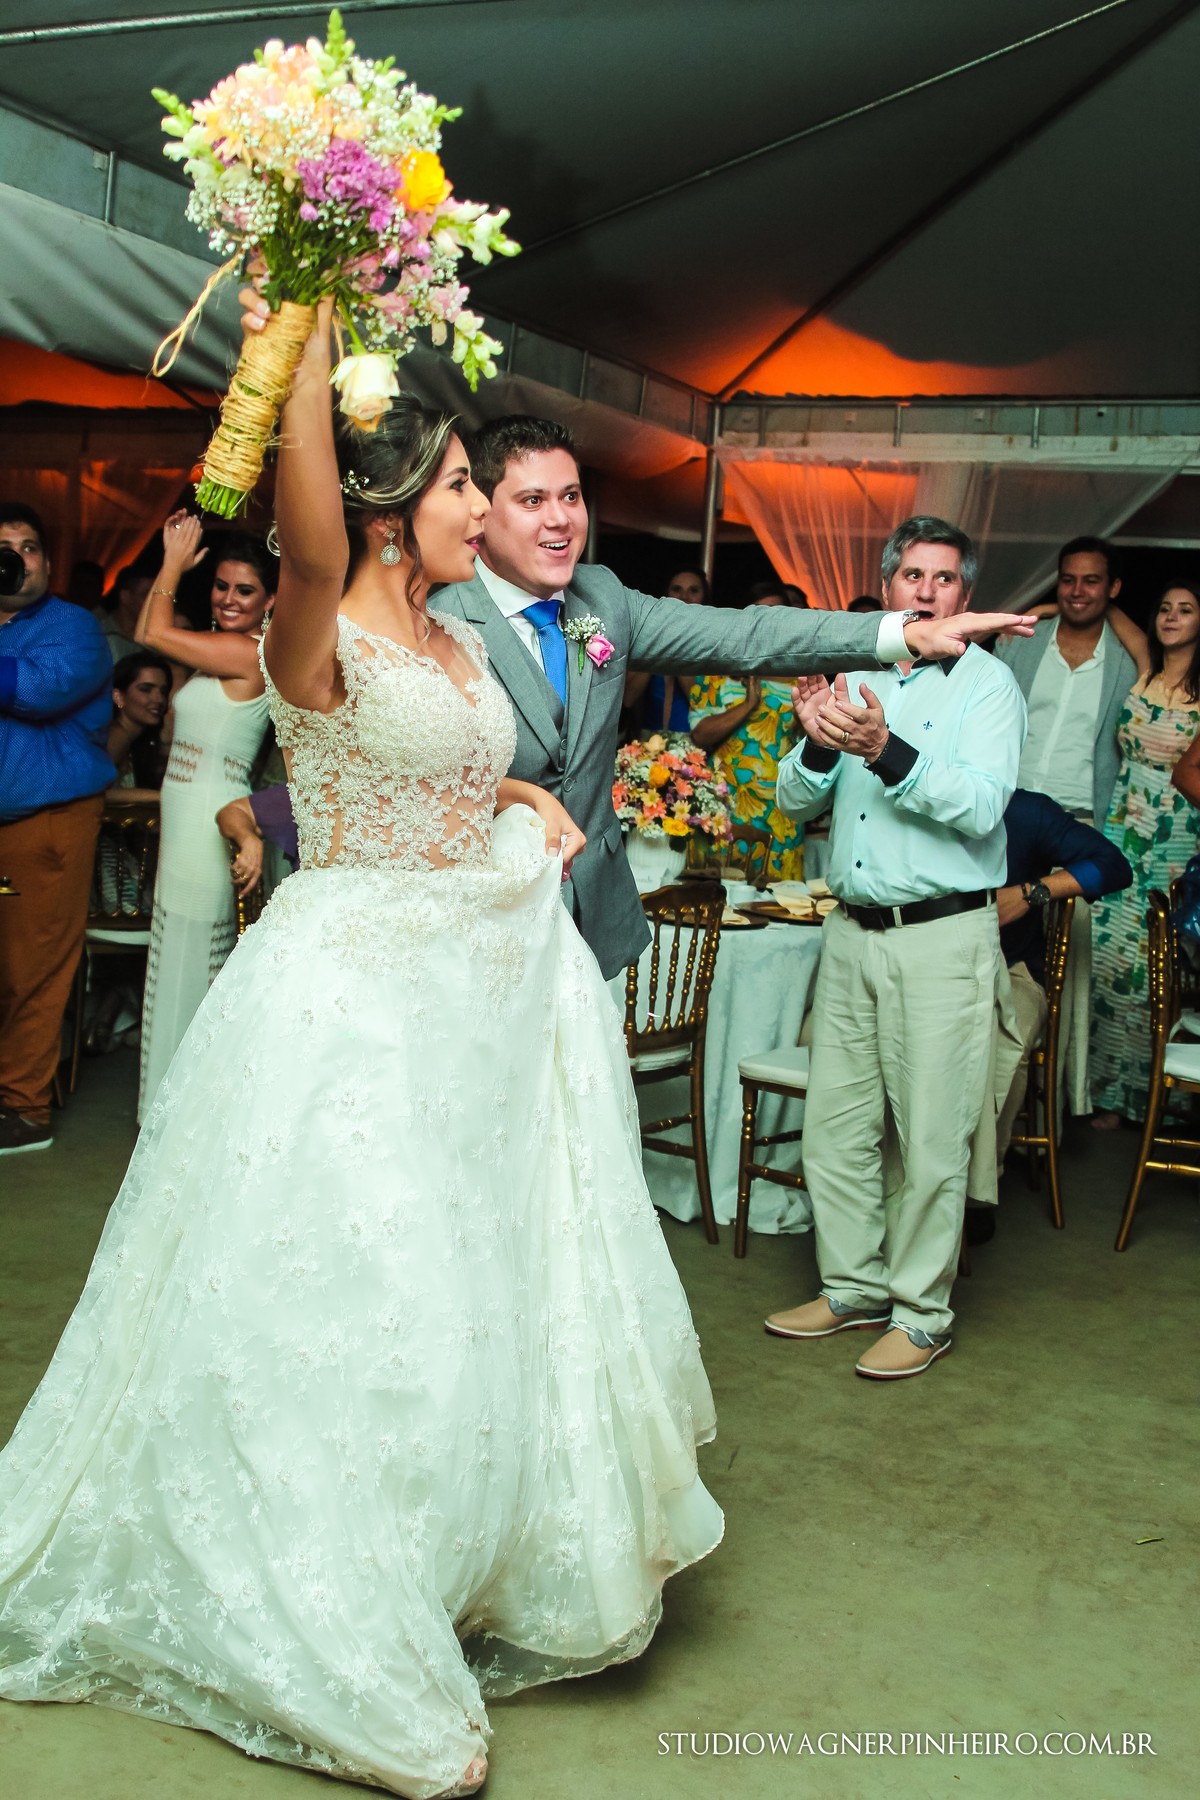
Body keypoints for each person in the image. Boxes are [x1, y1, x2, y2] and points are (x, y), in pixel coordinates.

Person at [0, 290, 726, 1799]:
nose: (489, 506)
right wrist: (311, 347)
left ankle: (443, 1561)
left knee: (455, 1289)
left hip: (459, 1004)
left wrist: (519, 803)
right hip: (345, 1011)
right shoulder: (320, 617)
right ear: (397, 508)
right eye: (466, 481)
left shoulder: (456, 649)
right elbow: (309, 524)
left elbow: (453, 777)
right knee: (353, 1287)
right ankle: (333, 1615)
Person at [433, 416, 1036, 979]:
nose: (561, 519)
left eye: (571, 496)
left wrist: (902, 632)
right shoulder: (435, 613)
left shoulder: (603, 599)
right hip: (476, 920)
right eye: (533, 500)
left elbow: (748, 634)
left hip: (591, 929)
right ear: (483, 511)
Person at [766, 516, 1027, 1379]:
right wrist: (815, 739)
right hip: (850, 932)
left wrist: (886, 752)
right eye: (912, 574)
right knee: (838, 1126)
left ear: (965, 595)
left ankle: (921, 1314)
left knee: (931, 1133)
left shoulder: (988, 687)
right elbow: (792, 800)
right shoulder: (859, 668)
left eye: (943, 578)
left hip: (943, 937)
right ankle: (851, 1289)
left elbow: (981, 805)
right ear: (891, 586)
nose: (925, 590)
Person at [132, 518, 274, 1120]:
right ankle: (167, 1116)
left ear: (270, 601)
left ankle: (183, 1121)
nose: (229, 599)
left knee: (193, 968)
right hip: (184, 823)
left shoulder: (247, 653)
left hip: (210, 823)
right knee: (176, 965)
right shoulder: (213, 654)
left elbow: (148, 630)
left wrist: (172, 561)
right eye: (220, 586)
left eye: (245, 590)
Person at [0, 503, 115, 1155]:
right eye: (4, 546)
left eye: (30, 546)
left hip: (43, 824)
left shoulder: (72, 629)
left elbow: (37, 691)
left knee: (30, 968)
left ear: (47, 560)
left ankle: (24, 1109)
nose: (16, 556)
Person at [965, 789, 1133, 1235]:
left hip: (1015, 968)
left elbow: (1114, 865)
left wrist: (1033, 891)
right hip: (935, 966)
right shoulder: (912, 798)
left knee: (1008, 1033)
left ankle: (976, 1189)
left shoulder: (1026, 810)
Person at [1091, 582, 1200, 1127]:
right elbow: (1110, 611)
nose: (1171, 617)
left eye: (1185, 610)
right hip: (1122, 821)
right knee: (1110, 958)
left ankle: (1157, 1098)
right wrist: (1041, 604)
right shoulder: (1146, 670)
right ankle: (1107, 1093)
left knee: (1154, 963)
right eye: (1164, 608)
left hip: (1176, 834)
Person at [622, 565, 709, 732]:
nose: (684, 597)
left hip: (695, 745)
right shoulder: (649, 639)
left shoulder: (713, 644)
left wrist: (679, 644)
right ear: (665, 595)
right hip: (647, 745)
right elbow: (628, 699)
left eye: (693, 590)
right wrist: (658, 641)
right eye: (677, 589)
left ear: (704, 597)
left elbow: (704, 705)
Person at [107, 650, 172, 795]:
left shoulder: (138, 739)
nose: (159, 699)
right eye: (146, 690)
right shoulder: (117, 735)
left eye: (163, 691)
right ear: (118, 697)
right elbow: (89, 794)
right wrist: (153, 798)